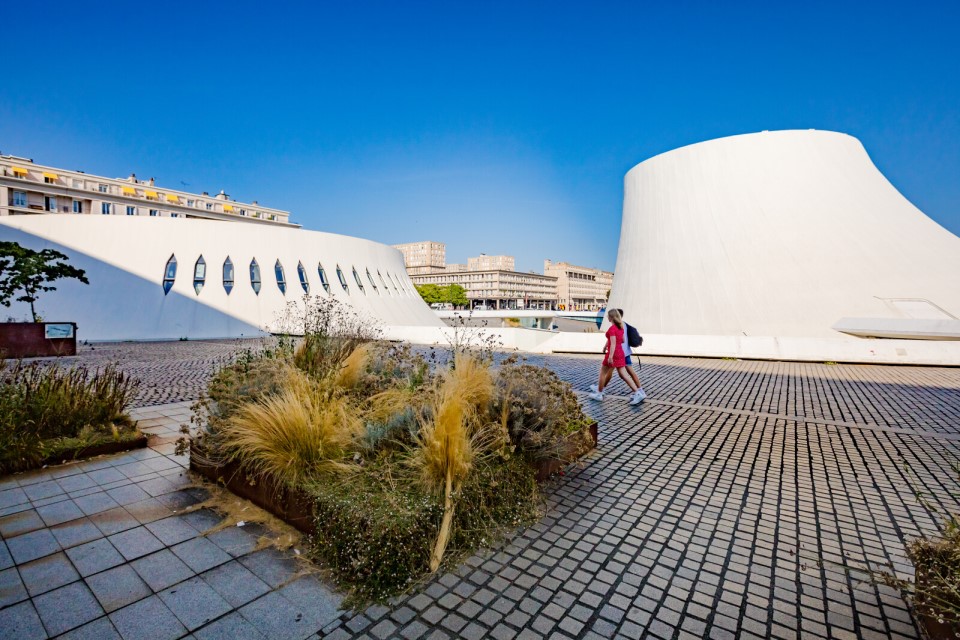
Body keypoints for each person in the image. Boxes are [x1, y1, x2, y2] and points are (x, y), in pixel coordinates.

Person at [591, 308, 646, 404]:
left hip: (614, 353)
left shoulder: (612, 329)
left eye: (608, 315)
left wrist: (610, 357)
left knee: (603, 373)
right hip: (621, 352)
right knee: (624, 375)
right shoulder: (621, 327)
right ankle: (638, 393)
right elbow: (623, 340)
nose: (607, 317)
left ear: (611, 317)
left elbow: (612, 344)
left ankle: (599, 393)